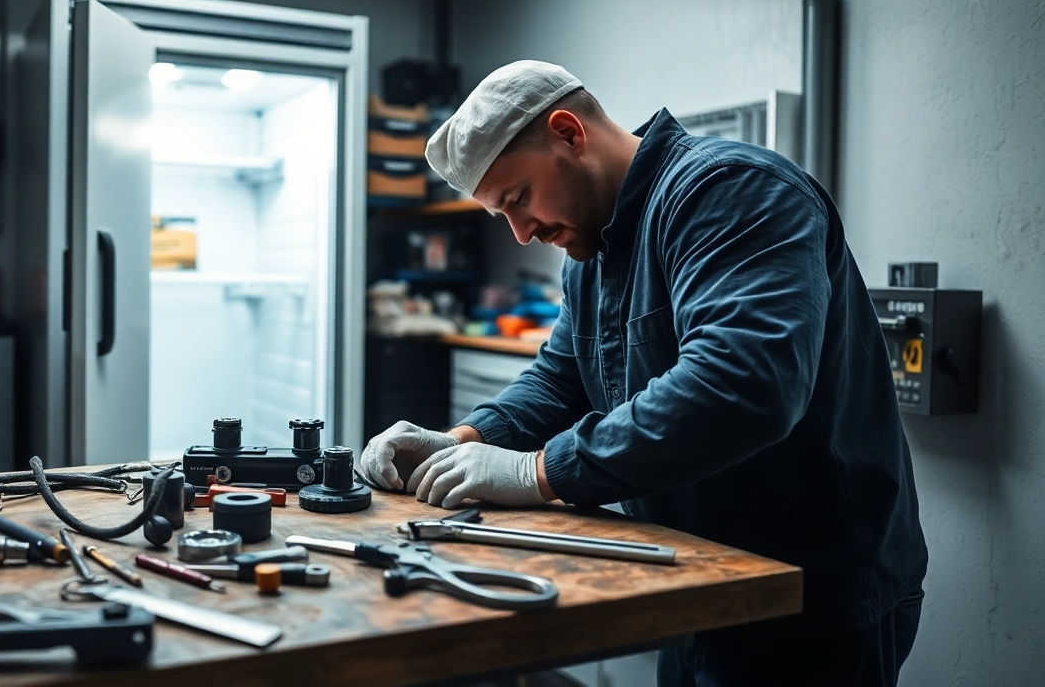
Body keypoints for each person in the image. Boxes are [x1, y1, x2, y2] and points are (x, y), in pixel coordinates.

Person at [359, 61, 927, 686]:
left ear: (569, 132)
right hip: (697, 574)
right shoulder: (593, 249)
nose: (522, 233)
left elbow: (742, 386)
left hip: (810, 597)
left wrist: (539, 471)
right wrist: (463, 440)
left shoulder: (732, 192)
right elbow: (561, 379)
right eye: (502, 215)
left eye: (519, 198)